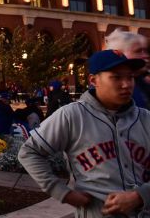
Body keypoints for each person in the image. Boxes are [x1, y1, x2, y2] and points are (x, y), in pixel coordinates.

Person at [18, 50, 150, 217]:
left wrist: (140, 195)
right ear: (94, 80)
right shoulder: (72, 115)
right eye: (116, 77)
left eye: (130, 77)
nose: (126, 84)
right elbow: (29, 152)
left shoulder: (145, 119)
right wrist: (62, 192)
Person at [105, 29, 150, 109]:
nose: (146, 55)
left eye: (145, 50)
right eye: (138, 51)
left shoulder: (141, 82)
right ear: (120, 54)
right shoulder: (109, 89)